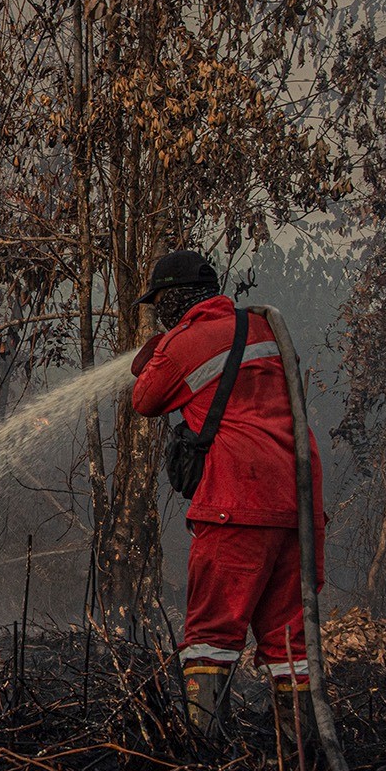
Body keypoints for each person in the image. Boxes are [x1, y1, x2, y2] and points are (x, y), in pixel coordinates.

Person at [129, 250, 326, 744]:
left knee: (211, 638)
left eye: (159, 303)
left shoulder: (185, 342)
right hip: (299, 503)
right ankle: (300, 761)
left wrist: (160, 346)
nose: (159, 312)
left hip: (237, 502)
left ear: (174, 299)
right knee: (290, 643)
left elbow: (145, 399)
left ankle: (205, 756)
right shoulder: (263, 328)